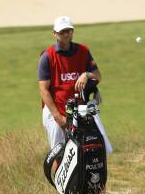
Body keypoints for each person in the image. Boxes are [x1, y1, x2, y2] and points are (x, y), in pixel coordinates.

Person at [38, 16, 102, 150]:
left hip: (79, 108)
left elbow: (98, 76)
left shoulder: (83, 51)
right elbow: (44, 90)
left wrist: (86, 74)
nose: (66, 34)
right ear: (54, 33)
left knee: (88, 148)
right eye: (62, 32)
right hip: (55, 109)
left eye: (69, 31)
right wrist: (58, 117)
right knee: (59, 151)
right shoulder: (47, 56)